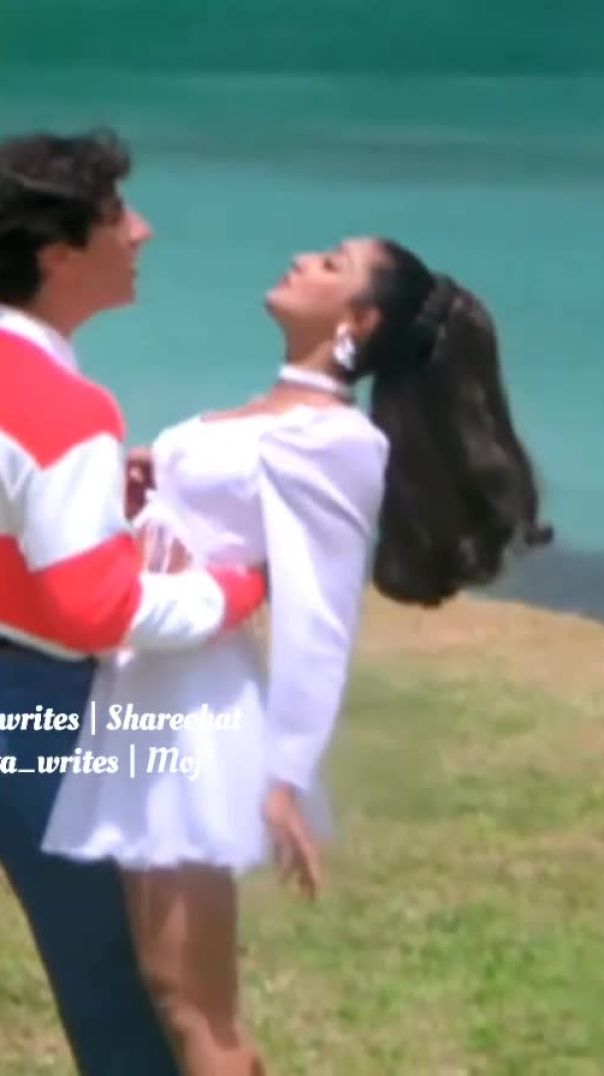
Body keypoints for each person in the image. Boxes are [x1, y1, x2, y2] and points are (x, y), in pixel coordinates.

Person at [44, 234, 550, 1074]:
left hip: (193, 710)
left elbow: (320, 614)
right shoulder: (268, 417)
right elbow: (213, 523)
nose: (305, 258)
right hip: (144, 689)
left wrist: (285, 775)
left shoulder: (332, 441)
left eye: (333, 264)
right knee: (166, 984)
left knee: (193, 1003)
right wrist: (147, 497)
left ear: (358, 321)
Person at [0, 129, 266, 1076]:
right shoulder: (64, 408)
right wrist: (240, 585)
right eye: (118, 215)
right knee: (130, 999)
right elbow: (93, 610)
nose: (143, 231)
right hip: (35, 712)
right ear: (57, 255)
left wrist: (86, 497)